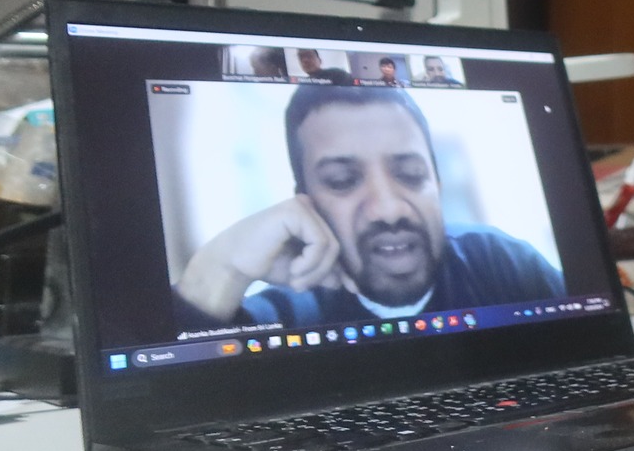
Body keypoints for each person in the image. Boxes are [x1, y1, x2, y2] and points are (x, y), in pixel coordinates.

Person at [173, 85, 563, 329]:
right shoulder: (282, 318)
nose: (388, 210)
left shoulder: (504, 263)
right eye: (343, 180)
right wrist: (222, 267)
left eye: (411, 174)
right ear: (304, 202)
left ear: (438, 183)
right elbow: (168, 401)